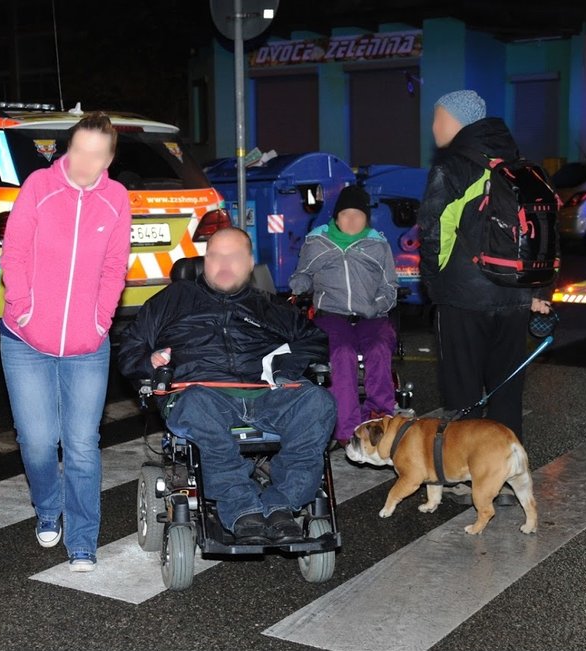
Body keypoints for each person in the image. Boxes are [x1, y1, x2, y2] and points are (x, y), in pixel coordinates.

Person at [118, 227, 337, 545]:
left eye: (233, 257)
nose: (223, 264)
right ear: (204, 261)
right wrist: (148, 362)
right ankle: (242, 507)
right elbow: (129, 349)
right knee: (197, 406)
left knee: (318, 403)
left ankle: (281, 504)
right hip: (200, 393)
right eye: (215, 256)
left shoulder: (267, 305)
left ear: (249, 264)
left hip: (264, 392)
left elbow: (315, 339)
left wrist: (283, 365)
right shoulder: (172, 301)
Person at [0, 111, 132, 573]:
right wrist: (25, 306)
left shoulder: (116, 198)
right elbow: (12, 253)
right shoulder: (38, 185)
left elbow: (116, 267)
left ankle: (82, 540)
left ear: (109, 157)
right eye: (79, 151)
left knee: (80, 444)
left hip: (87, 345)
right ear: (66, 149)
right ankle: (47, 508)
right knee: (37, 442)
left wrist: (101, 321)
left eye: (97, 154)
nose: (85, 162)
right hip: (25, 338)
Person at [418, 89, 553, 444]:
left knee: (463, 392)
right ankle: (507, 477)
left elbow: (434, 233)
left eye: (437, 118)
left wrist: (435, 286)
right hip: (516, 294)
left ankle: (470, 473)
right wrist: (538, 290)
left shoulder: (452, 167)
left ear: (453, 120)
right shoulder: (522, 165)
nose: (433, 127)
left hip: (464, 297)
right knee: (506, 390)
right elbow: (542, 233)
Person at [288, 184, 399, 448]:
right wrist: (299, 284)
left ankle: (382, 420)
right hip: (331, 315)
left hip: (371, 315)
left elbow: (390, 286)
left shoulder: (377, 245)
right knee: (341, 353)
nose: (352, 220)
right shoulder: (317, 243)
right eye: (346, 214)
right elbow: (302, 273)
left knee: (379, 348)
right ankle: (348, 430)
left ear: (366, 219)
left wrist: (378, 305)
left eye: (358, 215)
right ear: (336, 217)